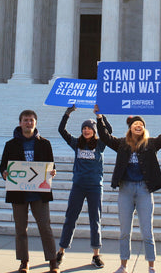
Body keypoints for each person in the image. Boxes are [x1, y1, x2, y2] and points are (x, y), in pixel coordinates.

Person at [94, 104, 161, 273]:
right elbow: (105, 137)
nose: (138, 126)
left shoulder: (151, 144)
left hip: (144, 190)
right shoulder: (121, 144)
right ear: (130, 128)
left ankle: (151, 266)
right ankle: (123, 265)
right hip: (125, 189)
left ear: (144, 128)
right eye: (135, 124)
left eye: (140, 124)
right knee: (124, 231)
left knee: (147, 231)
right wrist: (100, 118)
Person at [0, 110, 59, 273]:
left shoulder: (44, 143)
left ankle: (53, 261)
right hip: (19, 193)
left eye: (31, 120)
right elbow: (3, 166)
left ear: (36, 123)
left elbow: (51, 165)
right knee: (20, 229)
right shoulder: (10, 145)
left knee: (45, 227)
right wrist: (4, 173)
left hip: (39, 193)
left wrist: (53, 171)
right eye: (25, 120)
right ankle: (24, 262)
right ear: (20, 123)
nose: (28, 123)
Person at [56, 106, 112, 269]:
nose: (86, 130)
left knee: (95, 220)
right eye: (84, 128)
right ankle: (61, 251)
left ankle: (96, 255)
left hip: (95, 186)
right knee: (70, 218)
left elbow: (109, 130)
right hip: (78, 187)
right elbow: (61, 130)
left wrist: (101, 116)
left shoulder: (101, 144)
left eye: (89, 128)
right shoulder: (77, 143)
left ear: (95, 131)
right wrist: (67, 113)